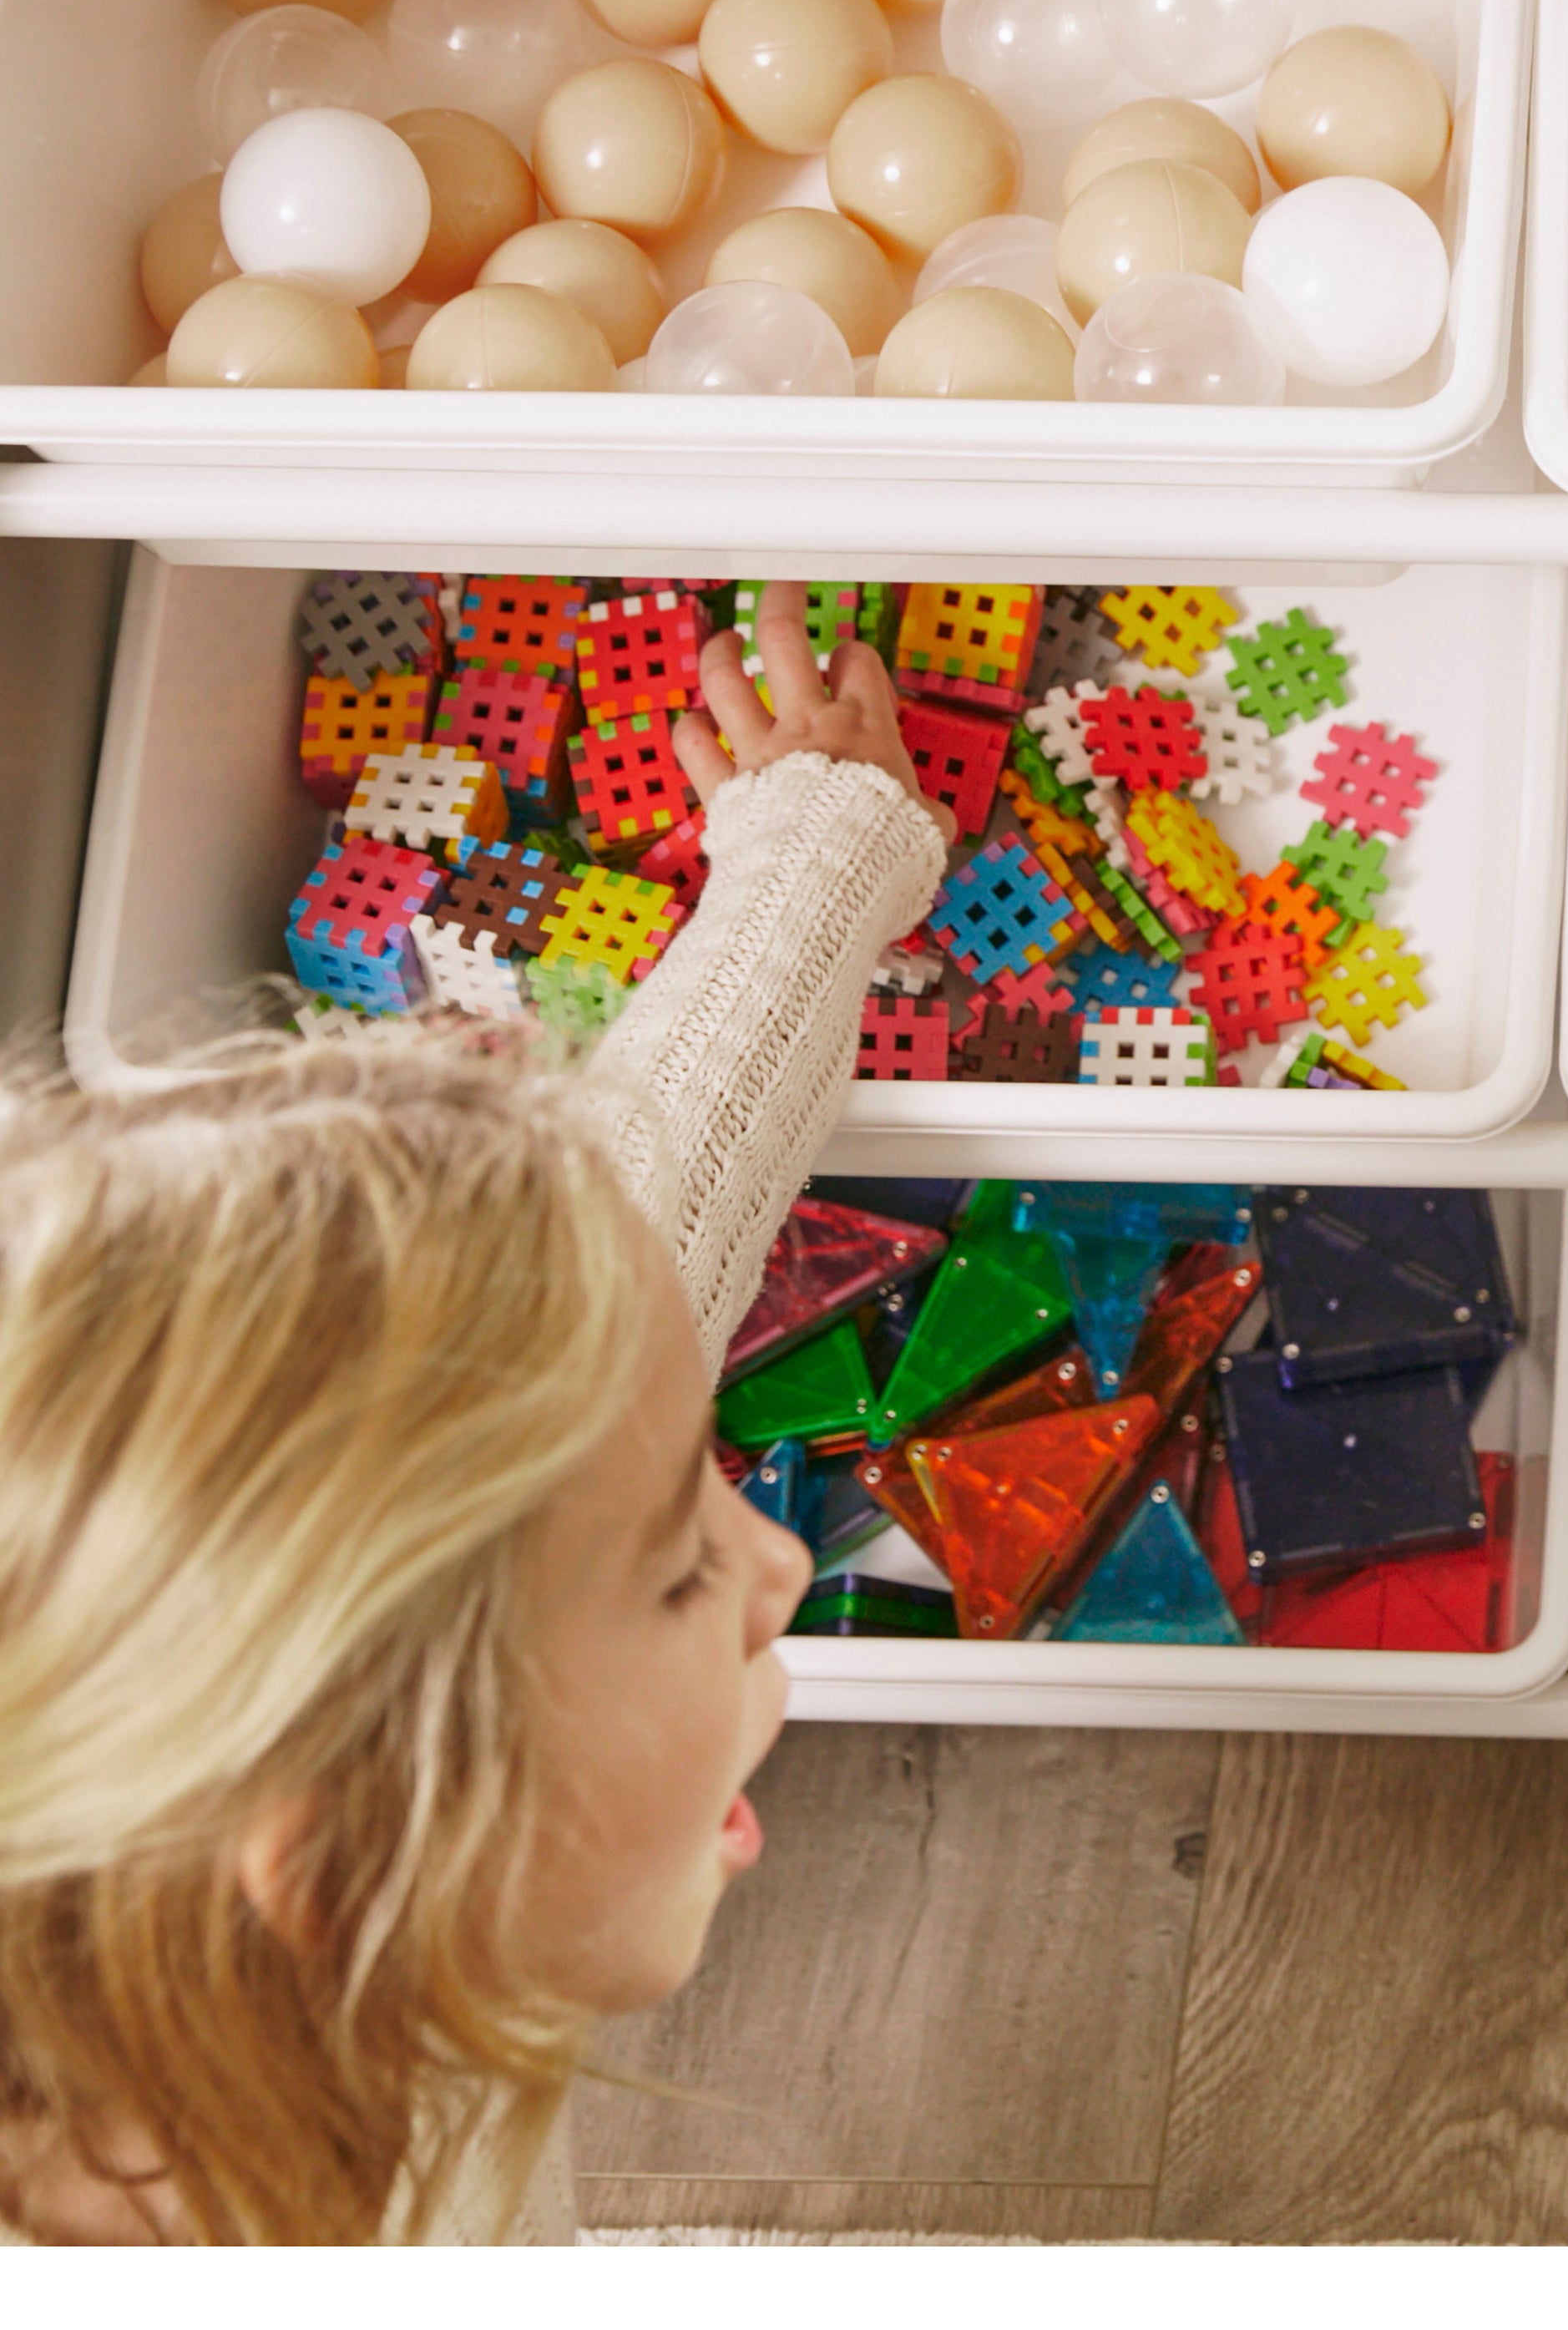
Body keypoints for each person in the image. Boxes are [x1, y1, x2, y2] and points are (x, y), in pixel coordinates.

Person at [0, 590, 950, 2243]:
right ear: (359, 1853)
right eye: (675, 1565)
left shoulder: (289, 1890)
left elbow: (635, 1215)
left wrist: (807, 850)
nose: (782, 1567)